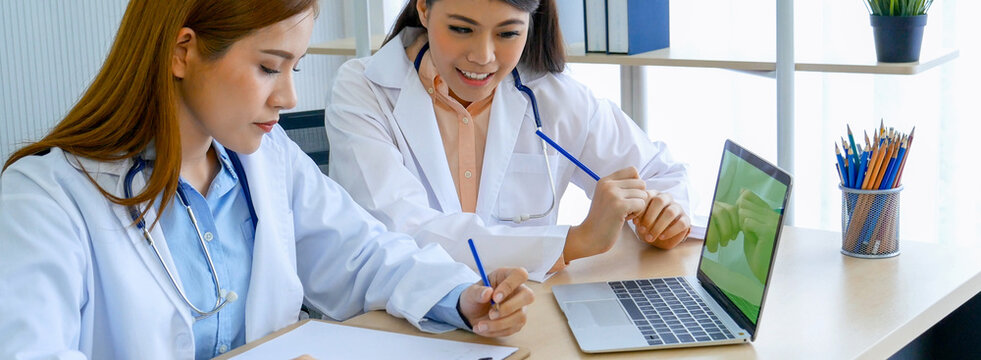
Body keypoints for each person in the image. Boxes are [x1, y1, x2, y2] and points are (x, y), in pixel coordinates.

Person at [0, 1, 533, 359]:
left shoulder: (265, 160)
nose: (289, 98)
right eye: (268, 67)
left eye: (295, 68)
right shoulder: (44, 199)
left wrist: (462, 296)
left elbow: (363, 254)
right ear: (182, 52)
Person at [326, 0, 693, 281]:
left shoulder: (553, 97)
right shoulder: (363, 90)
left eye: (507, 34)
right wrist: (574, 242)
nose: (483, 57)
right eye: (460, 29)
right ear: (423, 7)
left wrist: (662, 217)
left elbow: (659, 174)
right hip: (406, 324)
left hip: (519, 321)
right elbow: (401, 233)